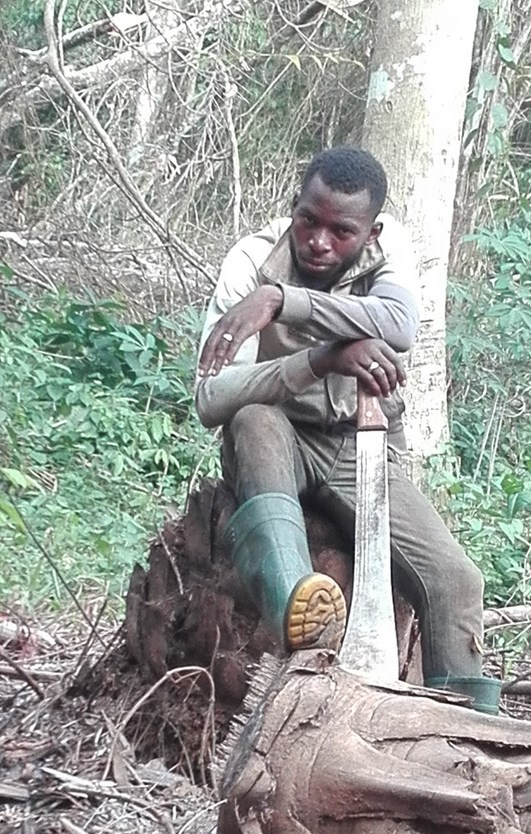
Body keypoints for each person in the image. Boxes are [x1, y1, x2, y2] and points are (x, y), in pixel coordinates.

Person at [195, 146, 500, 714]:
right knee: (252, 417)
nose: (319, 242)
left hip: (359, 448)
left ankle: (465, 737)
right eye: (308, 220)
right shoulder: (250, 261)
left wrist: (280, 302)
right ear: (294, 207)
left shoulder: (389, 250)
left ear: (371, 233)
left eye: (341, 231)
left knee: (457, 581)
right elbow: (211, 397)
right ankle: (295, 604)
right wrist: (319, 360)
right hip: (276, 436)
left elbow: (399, 325)